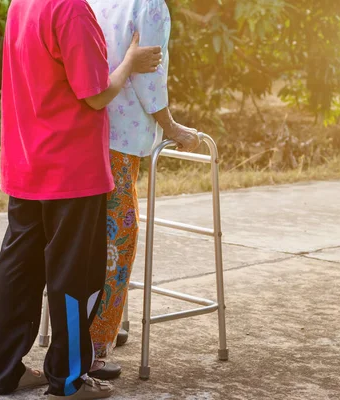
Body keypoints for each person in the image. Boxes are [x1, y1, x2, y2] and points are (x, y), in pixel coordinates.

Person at [0, 0, 162, 398]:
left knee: (19, 269)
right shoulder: (71, 10)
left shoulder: (22, 4)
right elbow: (96, 96)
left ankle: (4, 370)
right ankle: (68, 379)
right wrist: (130, 61)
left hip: (27, 159)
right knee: (75, 274)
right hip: (71, 168)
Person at [87, 0, 201, 379]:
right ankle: (94, 345)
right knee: (119, 237)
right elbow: (147, 77)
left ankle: (94, 326)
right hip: (122, 137)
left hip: (86, 128)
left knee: (87, 235)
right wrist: (172, 128)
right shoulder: (149, 4)